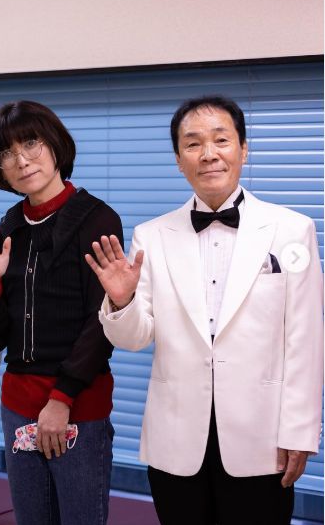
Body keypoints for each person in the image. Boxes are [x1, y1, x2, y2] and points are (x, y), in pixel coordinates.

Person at [85, 95, 324, 525]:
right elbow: (134, 339)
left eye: (221, 140)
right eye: (193, 144)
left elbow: (305, 338)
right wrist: (122, 300)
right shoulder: (152, 235)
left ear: (243, 150)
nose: (208, 154)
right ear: (179, 160)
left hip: (262, 437)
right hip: (176, 438)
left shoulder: (292, 229)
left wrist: (300, 431)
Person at [0, 100, 122, 525]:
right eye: (7, 153)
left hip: (77, 404)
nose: (22, 160)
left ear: (54, 144)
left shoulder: (97, 219)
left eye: (31, 143)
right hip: (18, 405)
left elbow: (101, 324)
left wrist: (61, 399)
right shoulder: (8, 229)